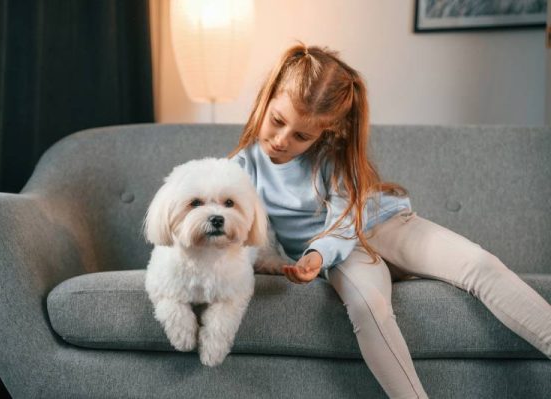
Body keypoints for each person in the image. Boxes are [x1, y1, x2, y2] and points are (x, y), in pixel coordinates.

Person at [229, 43, 551, 398]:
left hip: (380, 224)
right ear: (268, 97)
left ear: (323, 133)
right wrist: (302, 260)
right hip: (344, 255)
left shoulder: (333, 155)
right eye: (277, 121)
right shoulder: (239, 170)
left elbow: (345, 221)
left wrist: (316, 255)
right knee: (370, 306)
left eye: (302, 136)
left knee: (479, 265)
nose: (281, 140)